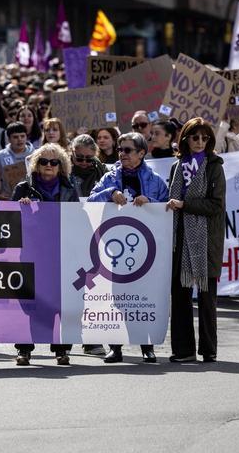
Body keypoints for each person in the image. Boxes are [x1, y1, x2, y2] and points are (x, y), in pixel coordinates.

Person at [88, 131, 168, 363]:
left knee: (145, 295)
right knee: (116, 298)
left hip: (146, 248)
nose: (122, 154)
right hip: (114, 247)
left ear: (142, 153)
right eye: (120, 149)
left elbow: (167, 207)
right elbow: (91, 200)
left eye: (128, 150)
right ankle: (116, 347)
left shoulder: (155, 180)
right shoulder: (109, 177)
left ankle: (147, 346)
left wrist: (151, 203)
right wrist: (110, 193)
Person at [165, 118, 226, 364]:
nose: (200, 142)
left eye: (205, 138)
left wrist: (185, 205)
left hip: (206, 239)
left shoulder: (214, 167)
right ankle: (183, 350)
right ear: (186, 139)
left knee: (206, 298)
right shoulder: (176, 166)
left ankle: (209, 350)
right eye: (195, 137)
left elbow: (216, 205)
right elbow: (170, 198)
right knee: (179, 296)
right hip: (180, 238)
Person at [11, 143, 75, 366]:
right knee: (30, 302)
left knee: (59, 302)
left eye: (54, 162)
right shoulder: (23, 188)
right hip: (31, 253)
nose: (49, 165)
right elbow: (10, 222)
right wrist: (21, 209)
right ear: (36, 165)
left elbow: (78, 219)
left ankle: (61, 349)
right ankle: (24, 350)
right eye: (44, 161)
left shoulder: (69, 189)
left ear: (61, 166)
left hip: (59, 253)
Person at [68, 135, 106, 199]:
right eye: (79, 158)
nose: (84, 162)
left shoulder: (102, 171)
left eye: (89, 159)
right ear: (72, 153)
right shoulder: (63, 171)